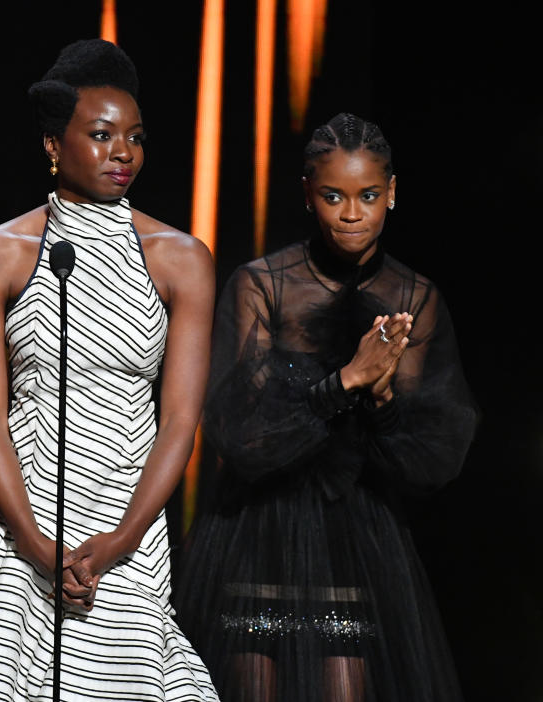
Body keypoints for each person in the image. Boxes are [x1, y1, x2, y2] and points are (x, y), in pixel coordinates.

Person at [0, 39, 219, 701]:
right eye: (101, 135)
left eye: (134, 137)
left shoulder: (182, 258)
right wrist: (34, 543)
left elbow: (181, 422)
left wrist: (121, 539)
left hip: (129, 531)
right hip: (26, 527)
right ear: (53, 144)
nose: (122, 153)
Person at [175, 113, 478, 702]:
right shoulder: (262, 283)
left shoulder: (414, 297)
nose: (351, 213)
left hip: (357, 535)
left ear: (392, 193)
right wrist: (345, 383)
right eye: (333, 195)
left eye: (368, 195)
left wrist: (383, 397)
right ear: (307, 195)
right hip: (256, 529)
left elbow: (429, 459)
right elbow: (242, 436)